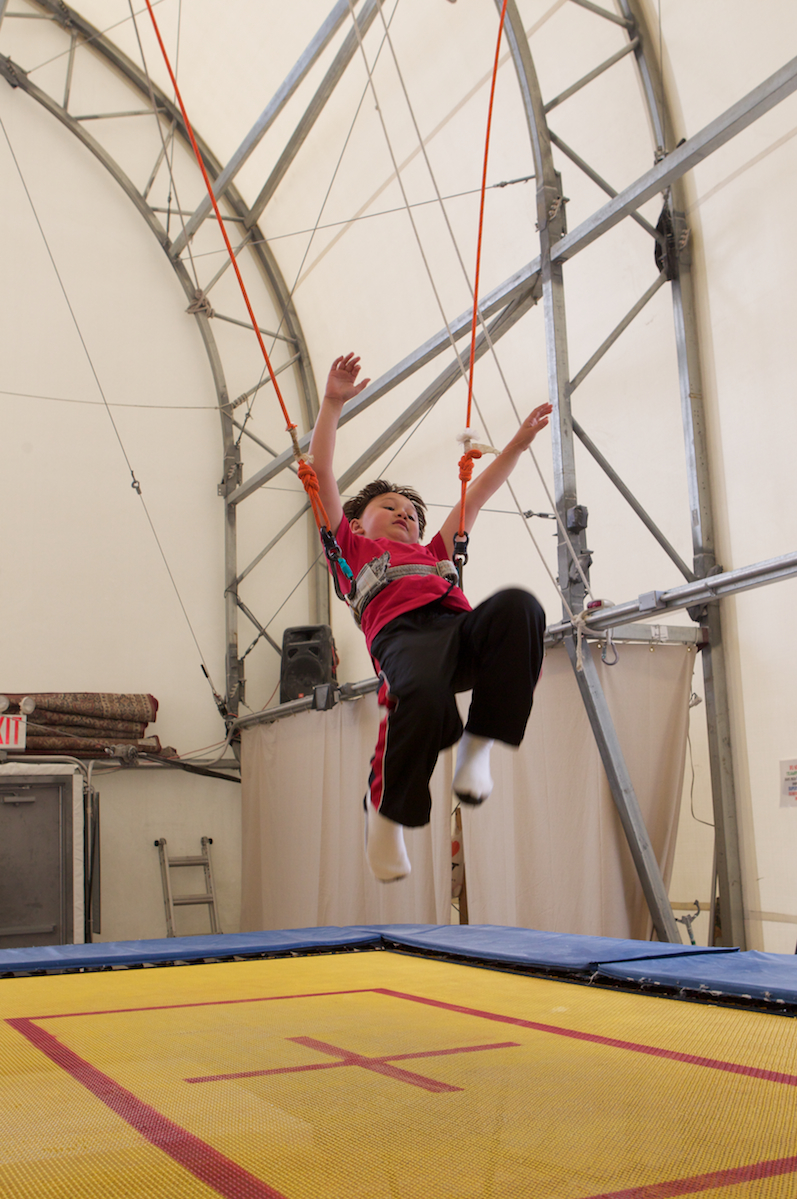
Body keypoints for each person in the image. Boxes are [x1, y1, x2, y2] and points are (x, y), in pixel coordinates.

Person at [309, 352, 550, 882]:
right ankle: (386, 819)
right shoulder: (349, 547)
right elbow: (321, 471)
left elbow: (479, 493)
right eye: (390, 507)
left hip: (456, 633)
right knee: (418, 694)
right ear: (357, 524)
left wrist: (517, 444)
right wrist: (331, 403)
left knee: (521, 607)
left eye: (413, 514)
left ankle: (478, 748)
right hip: (403, 639)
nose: (406, 515)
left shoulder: (435, 551)